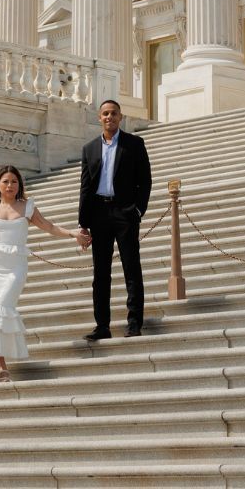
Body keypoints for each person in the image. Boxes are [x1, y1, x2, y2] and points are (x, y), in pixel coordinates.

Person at [0, 163, 76, 385]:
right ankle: (4, 368)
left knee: (0, 310)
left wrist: (72, 234)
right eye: (6, 181)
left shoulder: (27, 207)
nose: (10, 185)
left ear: (19, 185)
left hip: (15, 268)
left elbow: (48, 226)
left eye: (14, 181)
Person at [74, 98, 152, 340]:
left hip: (125, 213)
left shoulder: (134, 144)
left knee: (131, 268)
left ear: (120, 117)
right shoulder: (89, 149)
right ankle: (102, 326)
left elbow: (145, 181)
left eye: (114, 113)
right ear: (99, 118)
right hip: (99, 214)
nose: (109, 117)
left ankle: (134, 323)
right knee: (101, 273)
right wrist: (83, 223)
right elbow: (85, 187)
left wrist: (138, 210)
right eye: (105, 114)